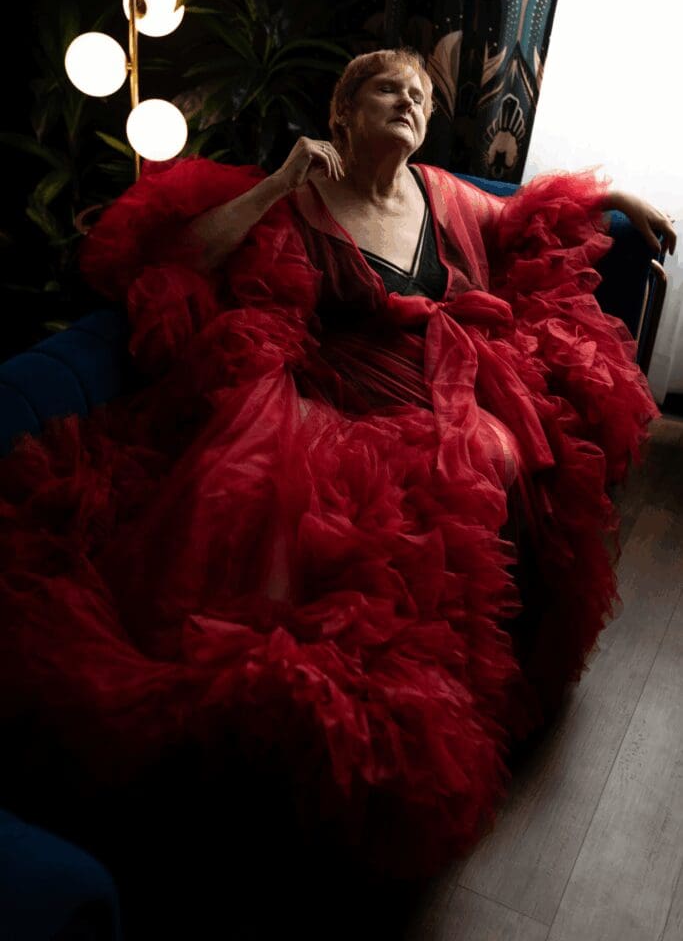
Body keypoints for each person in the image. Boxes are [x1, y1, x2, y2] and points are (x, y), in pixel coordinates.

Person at [0, 48, 676, 884]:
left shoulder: (441, 192)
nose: (409, 102)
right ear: (342, 115)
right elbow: (184, 257)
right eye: (388, 89)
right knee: (387, 499)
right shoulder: (305, 199)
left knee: (497, 451)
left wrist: (611, 197)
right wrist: (277, 183)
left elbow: (517, 219)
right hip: (345, 405)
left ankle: (458, 681)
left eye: (421, 96)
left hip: (449, 384)